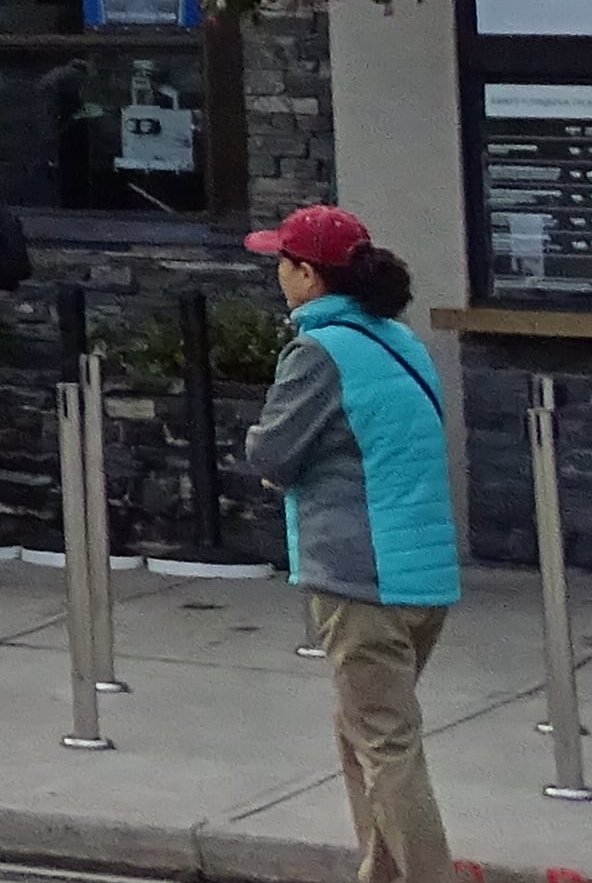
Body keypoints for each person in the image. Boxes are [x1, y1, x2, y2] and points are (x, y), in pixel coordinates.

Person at [239, 206, 457, 883]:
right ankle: (380, 874)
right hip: (424, 579)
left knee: (387, 748)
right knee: (360, 730)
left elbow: (271, 449)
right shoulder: (401, 342)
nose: (276, 272)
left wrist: (273, 461)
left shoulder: (318, 352)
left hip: (362, 581)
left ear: (308, 276)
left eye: (283, 261)